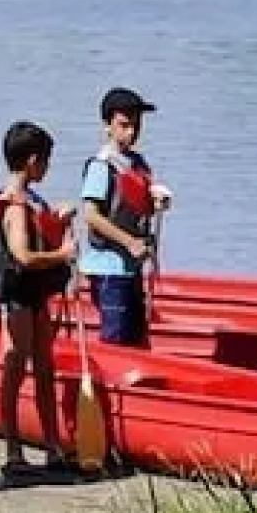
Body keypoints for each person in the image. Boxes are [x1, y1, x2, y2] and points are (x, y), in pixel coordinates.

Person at [0, 121, 77, 476]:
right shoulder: (15, 206)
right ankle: (13, 449)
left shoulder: (29, 201)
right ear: (32, 161)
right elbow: (22, 255)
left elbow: (40, 235)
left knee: (44, 367)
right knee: (16, 366)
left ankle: (52, 446)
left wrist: (57, 220)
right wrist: (64, 254)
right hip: (18, 295)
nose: (48, 167)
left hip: (33, 295)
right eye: (46, 160)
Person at [78, 87, 172, 348]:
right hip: (108, 267)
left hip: (131, 267)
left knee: (137, 338)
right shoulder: (102, 166)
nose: (131, 131)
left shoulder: (138, 164)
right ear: (108, 126)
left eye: (136, 125)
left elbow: (137, 206)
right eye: (123, 125)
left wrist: (156, 203)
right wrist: (129, 242)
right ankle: (110, 384)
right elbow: (92, 216)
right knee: (115, 337)